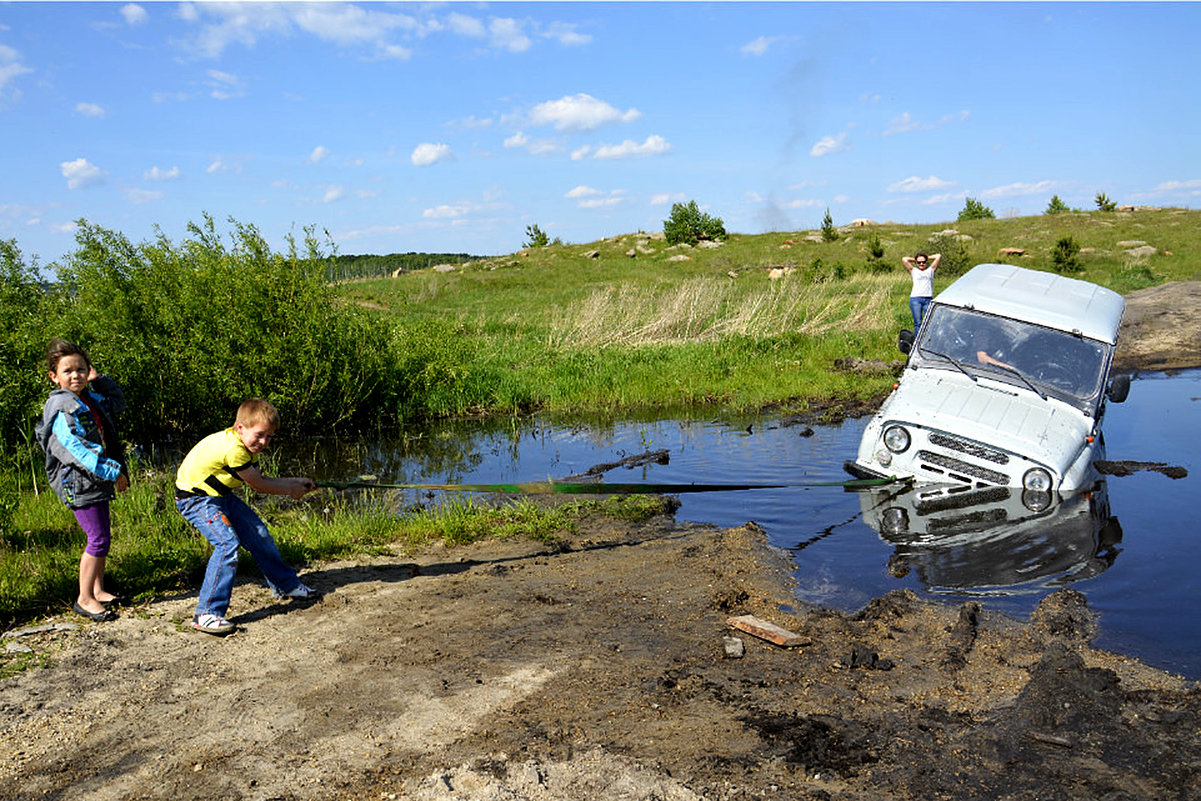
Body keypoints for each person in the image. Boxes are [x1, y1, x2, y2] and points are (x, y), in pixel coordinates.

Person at [174, 398, 320, 636]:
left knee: (259, 535)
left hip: (219, 495)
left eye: (270, 437)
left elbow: (260, 478)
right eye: (260, 435)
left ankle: (286, 586)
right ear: (240, 427)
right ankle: (207, 613)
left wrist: (296, 481)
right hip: (196, 499)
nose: (264, 442)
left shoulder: (242, 443)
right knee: (226, 544)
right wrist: (291, 489)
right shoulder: (234, 450)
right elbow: (259, 485)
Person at [35, 338, 130, 623]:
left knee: (103, 537)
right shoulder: (63, 408)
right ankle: (84, 598)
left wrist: (99, 380)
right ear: (54, 377)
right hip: (78, 481)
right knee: (97, 539)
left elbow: (118, 403)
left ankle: (98, 590)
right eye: (68, 371)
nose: (76, 375)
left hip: (94, 481)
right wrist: (115, 472)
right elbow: (78, 452)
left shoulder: (88, 398)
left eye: (81, 369)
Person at [902, 252, 941, 331]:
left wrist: (926, 257)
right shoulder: (914, 270)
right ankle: (917, 341)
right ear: (916, 263)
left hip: (928, 299)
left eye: (923, 262)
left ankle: (928, 340)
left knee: (929, 322)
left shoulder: (931, 270)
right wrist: (916, 259)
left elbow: (938, 256)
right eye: (919, 262)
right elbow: (904, 259)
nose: (921, 264)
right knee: (918, 322)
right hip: (916, 299)